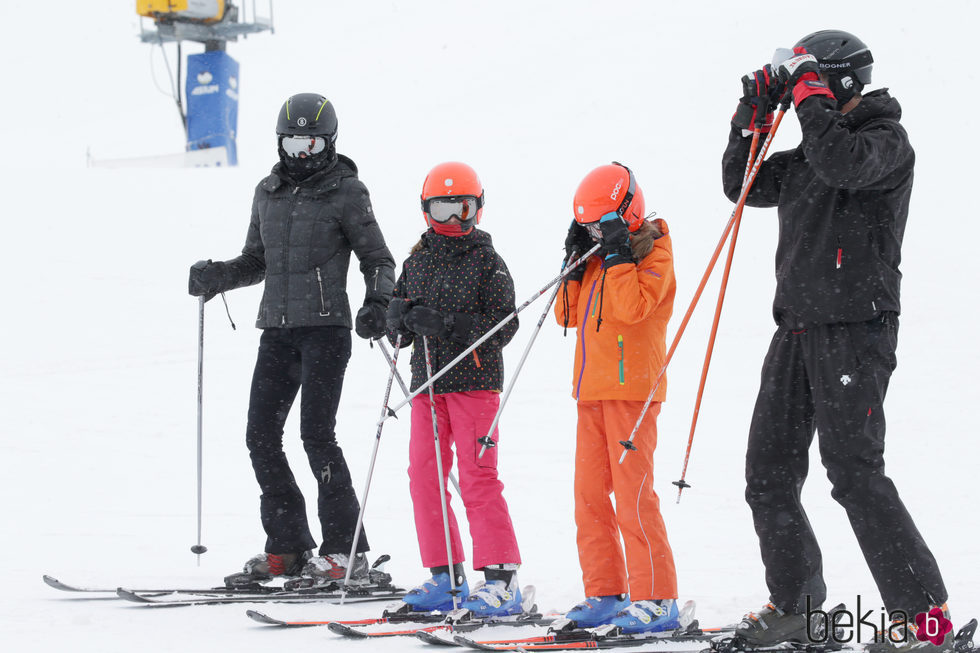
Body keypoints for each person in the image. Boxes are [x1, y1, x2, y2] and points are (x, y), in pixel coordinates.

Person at [722, 31, 950, 651]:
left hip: (856, 329)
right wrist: (755, 111)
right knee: (767, 472)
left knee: (853, 472)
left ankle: (925, 620)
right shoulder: (805, 157)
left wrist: (807, 95)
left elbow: (841, 163)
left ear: (838, 82)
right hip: (795, 328)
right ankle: (798, 608)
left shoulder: (885, 144)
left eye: (813, 81)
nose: (805, 96)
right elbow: (740, 185)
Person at [187, 93, 396, 587]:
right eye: (293, 142)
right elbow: (256, 260)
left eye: (312, 142)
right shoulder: (268, 191)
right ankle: (289, 547)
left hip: (326, 331)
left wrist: (378, 305)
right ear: (281, 142)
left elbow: (379, 260)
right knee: (259, 435)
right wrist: (218, 275)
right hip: (277, 333)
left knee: (316, 436)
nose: (302, 152)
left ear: (330, 142)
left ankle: (346, 553)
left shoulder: (348, 192)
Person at [385, 161, 523, 617]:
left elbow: (505, 325)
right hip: (427, 384)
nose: (452, 220)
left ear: (477, 209)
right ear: (426, 211)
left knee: (478, 474)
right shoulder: (417, 259)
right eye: (441, 209)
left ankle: (501, 580)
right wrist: (391, 321)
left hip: (475, 384)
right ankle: (446, 575)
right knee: (423, 475)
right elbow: (401, 314)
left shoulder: (487, 260)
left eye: (461, 208)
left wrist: (447, 324)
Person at [553, 163, 680, 633]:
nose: (593, 233)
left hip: (632, 394)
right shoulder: (595, 259)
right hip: (590, 392)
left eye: (599, 224)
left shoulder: (655, 254)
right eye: (586, 226)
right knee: (588, 496)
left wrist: (619, 254)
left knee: (633, 497)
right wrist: (572, 262)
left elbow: (633, 309)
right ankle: (606, 590)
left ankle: (657, 597)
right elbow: (566, 316)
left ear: (628, 212)